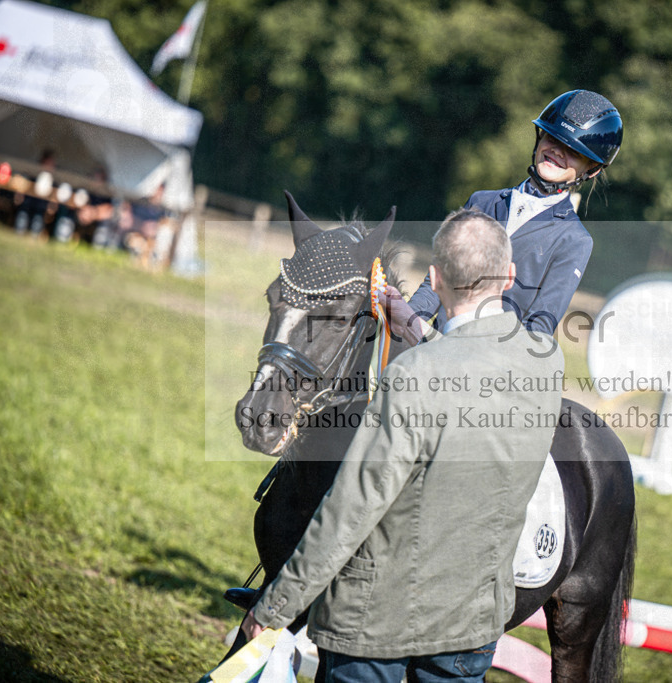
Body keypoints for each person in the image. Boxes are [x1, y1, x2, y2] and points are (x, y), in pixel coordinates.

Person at [241, 209, 564, 682]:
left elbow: (352, 506)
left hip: (375, 630)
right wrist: (418, 329)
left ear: (434, 277)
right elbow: (473, 364)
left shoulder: (411, 377)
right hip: (471, 632)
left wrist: (274, 608)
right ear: (510, 276)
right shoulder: (546, 363)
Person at [394, 89, 623, 343]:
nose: (558, 151)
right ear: (540, 137)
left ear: (591, 170)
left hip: (494, 367)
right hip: (436, 347)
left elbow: (540, 324)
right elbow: (437, 283)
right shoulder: (481, 202)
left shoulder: (574, 240)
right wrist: (405, 320)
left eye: (573, 152)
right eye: (553, 139)